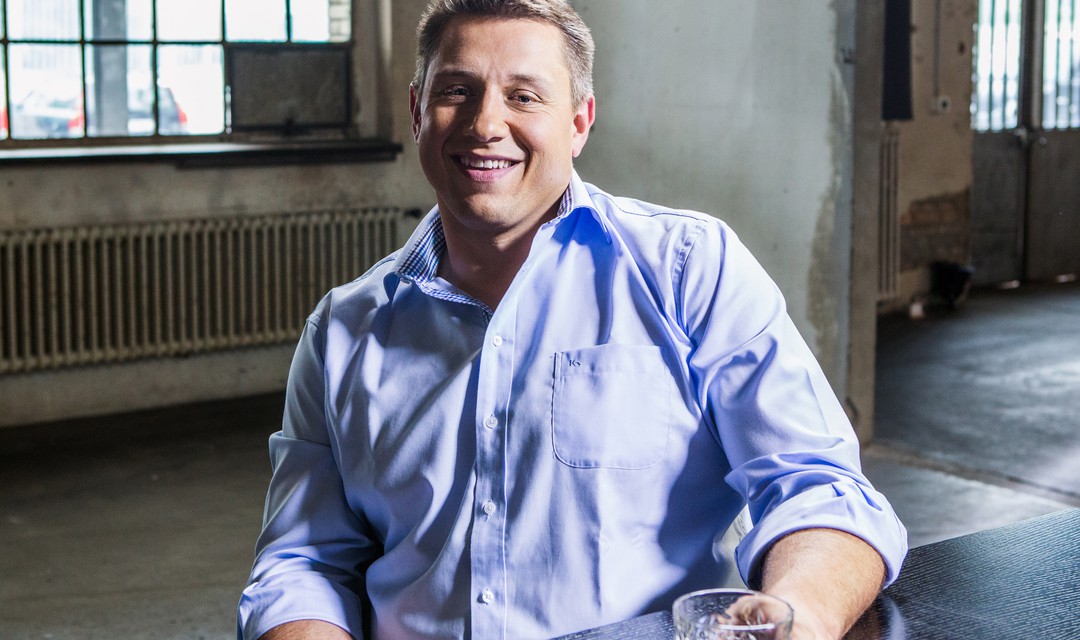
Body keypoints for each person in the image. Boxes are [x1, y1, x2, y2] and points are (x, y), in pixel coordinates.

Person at [237, 0, 908, 638]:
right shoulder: (344, 331)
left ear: (580, 121)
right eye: (456, 91)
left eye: (523, 96)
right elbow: (303, 563)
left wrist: (798, 615)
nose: (485, 125)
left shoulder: (689, 272)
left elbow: (820, 491)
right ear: (417, 112)